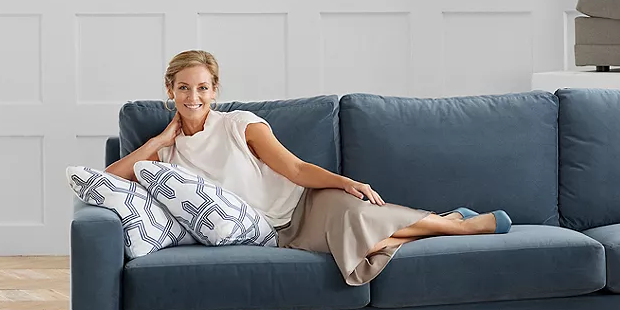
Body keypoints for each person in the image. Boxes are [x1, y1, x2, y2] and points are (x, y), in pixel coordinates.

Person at [106, 50, 510, 285]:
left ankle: (460, 226)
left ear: (215, 91)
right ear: (170, 90)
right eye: (184, 87)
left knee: (357, 221)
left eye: (203, 88)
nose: (194, 96)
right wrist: (157, 141)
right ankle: (451, 220)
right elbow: (108, 180)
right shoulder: (165, 157)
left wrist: (345, 182)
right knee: (360, 245)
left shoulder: (238, 124)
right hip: (273, 233)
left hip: (305, 205)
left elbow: (295, 170)